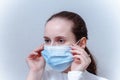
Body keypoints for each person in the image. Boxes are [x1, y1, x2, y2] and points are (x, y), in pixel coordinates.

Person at [26, 11, 108, 80]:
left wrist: (75, 76)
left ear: (81, 43)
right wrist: (35, 72)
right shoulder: (38, 77)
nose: (51, 46)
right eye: (47, 40)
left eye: (60, 40)